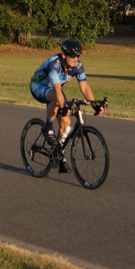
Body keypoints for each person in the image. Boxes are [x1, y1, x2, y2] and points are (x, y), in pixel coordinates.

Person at [29, 39, 105, 174]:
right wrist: (64, 107)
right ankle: (48, 128)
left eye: (78, 56)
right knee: (58, 100)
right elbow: (57, 90)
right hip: (38, 86)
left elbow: (84, 87)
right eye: (73, 56)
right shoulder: (54, 64)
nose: (76, 59)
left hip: (54, 90)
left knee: (66, 123)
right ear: (64, 55)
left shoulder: (78, 65)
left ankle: (59, 155)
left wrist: (94, 105)